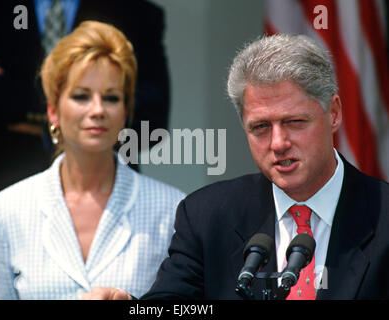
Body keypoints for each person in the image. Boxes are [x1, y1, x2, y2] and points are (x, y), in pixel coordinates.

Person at [81, 33, 389, 300]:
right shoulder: (207, 216)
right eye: (260, 128)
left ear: (333, 113)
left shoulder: (383, 216)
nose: (278, 142)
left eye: (295, 122)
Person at [0, 0, 170, 298]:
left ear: (126, 108)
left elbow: (153, 122)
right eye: (80, 95)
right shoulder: (5, 211)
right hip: (1, 185)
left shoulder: (172, 211)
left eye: (111, 97)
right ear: (53, 108)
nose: (96, 110)